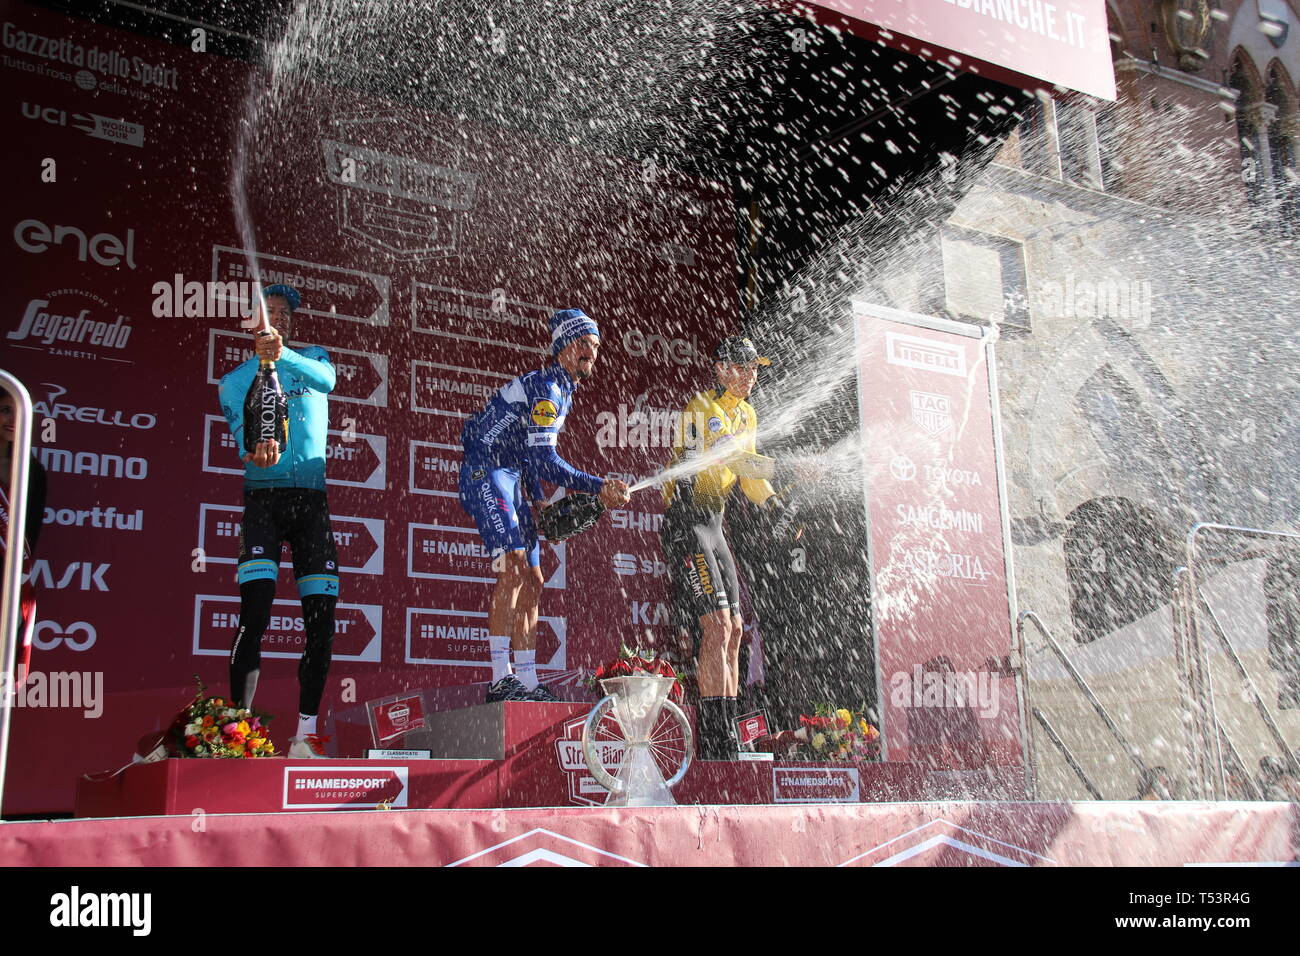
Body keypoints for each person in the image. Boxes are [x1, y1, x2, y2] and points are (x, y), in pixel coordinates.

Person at [459, 308, 629, 702]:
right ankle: (501, 678)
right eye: (582, 343)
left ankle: (529, 680)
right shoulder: (549, 389)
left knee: (534, 578)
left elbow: (527, 450)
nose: (590, 351)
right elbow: (544, 459)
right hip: (486, 470)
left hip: (513, 473)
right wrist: (598, 485)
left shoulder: (564, 388)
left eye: (595, 345)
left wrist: (536, 499)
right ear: (562, 347)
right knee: (515, 564)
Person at [218, 284, 338, 758]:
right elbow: (244, 445)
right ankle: (238, 733)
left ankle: (304, 735)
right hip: (263, 502)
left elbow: (327, 382)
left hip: (312, 505)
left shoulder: (311, 358)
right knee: (256, 612)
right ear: (252, 322)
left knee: (321, 622)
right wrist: (255, 453)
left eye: (287, 312)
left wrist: (283, 353)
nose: (280, 317)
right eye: (271, 312)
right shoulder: (233, 382)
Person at [660, 335, 790, 760]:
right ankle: (714, 738)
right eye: (742, 367)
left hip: (714, 524)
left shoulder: (748, 413)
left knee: (734, 629)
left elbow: (751, 479)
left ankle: (728, 735)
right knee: (715, 626)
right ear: (721, 368)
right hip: (686, 520)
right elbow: (730, 459)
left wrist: (777, 503)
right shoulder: (702, 406)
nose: (751, 376)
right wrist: (785, 465)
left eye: (755, 368)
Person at [0, 388, 47, 685]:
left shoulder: (33, 471)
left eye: (18, 410)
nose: (12, 418)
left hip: (11, 584)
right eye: (5, 409)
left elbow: (31, 536)